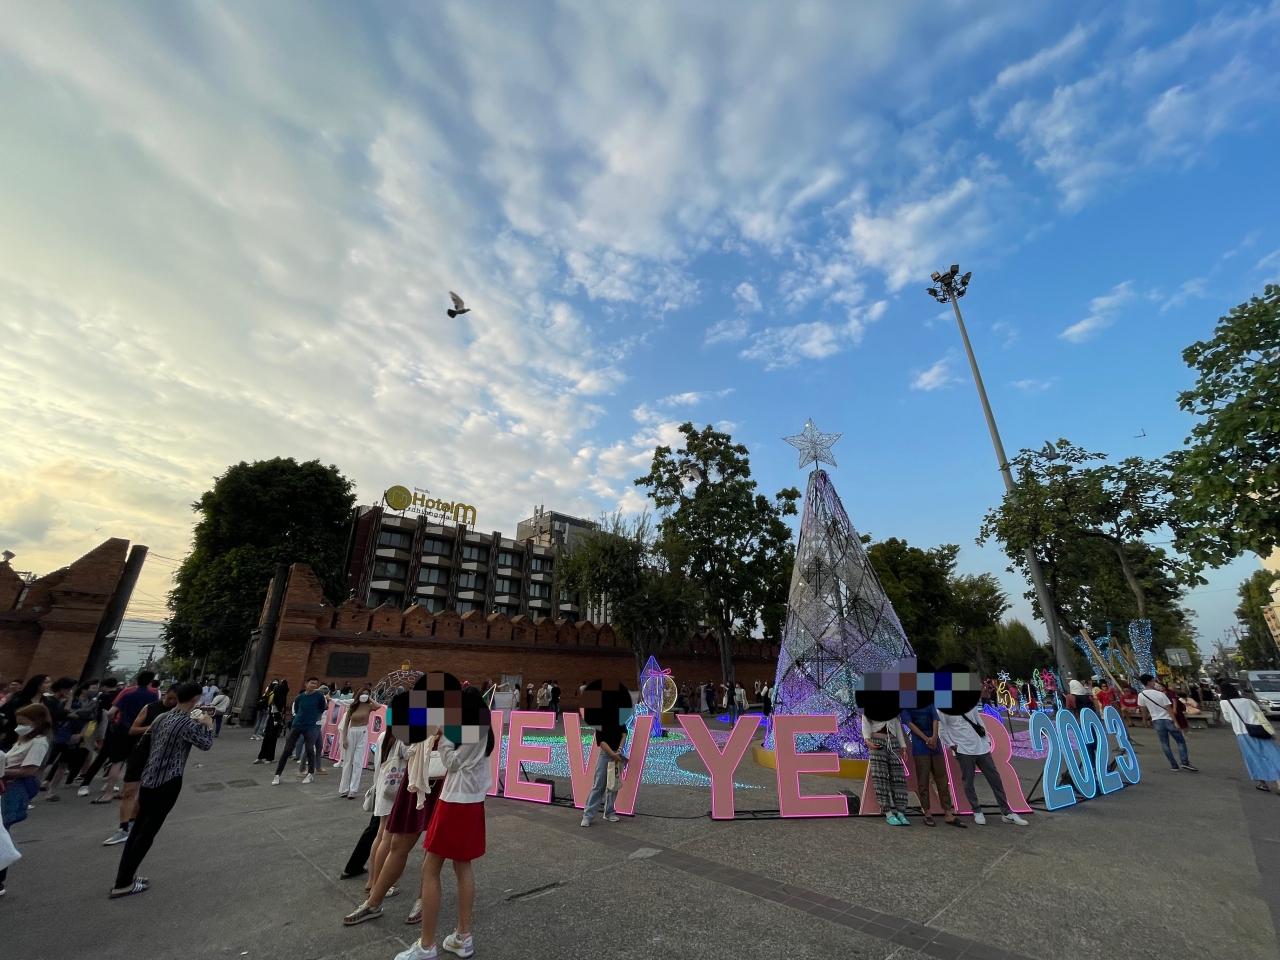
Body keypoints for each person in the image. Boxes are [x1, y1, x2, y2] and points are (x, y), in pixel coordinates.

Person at [397, 688, 494, 960]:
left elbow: (452, 762)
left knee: (430, 868)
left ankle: (427, 945)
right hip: (473, 802)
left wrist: (444, 739)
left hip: (455, 803)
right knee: (463, 866)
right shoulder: (484, 728)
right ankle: (463, 936)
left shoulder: (466, 730)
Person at [109, 682, 213, 898]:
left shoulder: (161, 717)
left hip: (148, 779)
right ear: (195, 699)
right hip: (168, 781)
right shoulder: (186, 723)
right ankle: (123, 883)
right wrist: (207, 724)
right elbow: (206, 743)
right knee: (147, 834)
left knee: (138, 830)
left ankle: (126, 876)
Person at [344, 737, 441, 926]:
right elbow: (405, 734)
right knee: (398, 844)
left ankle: (424, 899)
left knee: (433, 848)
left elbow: (472, 737)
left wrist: (442, 730)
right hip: (416, 774)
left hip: (443, 777)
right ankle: (373, 902)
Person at [103, 684, 179, 846]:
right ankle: (123, 828)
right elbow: (133, 730)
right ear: (165, 693)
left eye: (175, 699)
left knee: (145, 793)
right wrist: (152, 728)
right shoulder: (150, 708)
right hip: (140, 753)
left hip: (160, 757)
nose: (170, 701)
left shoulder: (179, 712)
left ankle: (132, 822)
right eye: (169, 697)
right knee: (129, 791)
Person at [939, 705, 1029, 826]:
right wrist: (952, 745)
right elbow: (942, 729)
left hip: (981, 747)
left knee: (995, 779)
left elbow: (979, 720)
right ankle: (977, 811)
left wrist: (986, 740)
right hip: (963, 749)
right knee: (968, 781)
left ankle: (1007, 812)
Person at [1, 703, 53, 897]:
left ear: (36, 722)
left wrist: (3, 771)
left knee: (3, 832)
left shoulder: (39, 742)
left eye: (23, 723)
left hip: (14, 788)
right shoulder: (24, 738)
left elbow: (29, 770)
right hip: (7, 785)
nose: (19, 726)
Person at [901, 702, 963, 827]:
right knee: (923, 780)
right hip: (920, 744)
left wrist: (934, 736)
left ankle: (948, 812)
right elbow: (909, 723)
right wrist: (926, 738)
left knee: (942, 778)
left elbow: (935, 718)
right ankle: (927, 812)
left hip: (935, 744)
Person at [1218, 681, 1280, 792]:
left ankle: (1262, 783)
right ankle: (1278, 782)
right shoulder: (1248, 701)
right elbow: (1260, 715)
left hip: (1243, 733)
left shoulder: (1224, 703)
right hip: (1261, 730)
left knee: (1253, 757)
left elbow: (1228, 719)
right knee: (1272, 755)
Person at [1137, 674, 1198, 772]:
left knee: (1165, 744)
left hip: (1156, 721)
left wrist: (1144, 721)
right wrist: (1176, 722)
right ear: (1149, 682)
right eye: (1153, 681)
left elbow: (1143, 710)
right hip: (1168, 719)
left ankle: (1174, 765)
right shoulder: (1160, 694)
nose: (1155, 683)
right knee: (1180, 741)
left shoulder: (1141, 695)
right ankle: (1184, 762)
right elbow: (1169, 709)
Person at [272, 677, 326, 785]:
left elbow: (322, 708)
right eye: (312, 683)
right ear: (306, 684)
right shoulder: (299, 697)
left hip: (311, 726)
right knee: (287, 750)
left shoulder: (319, 696)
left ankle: (310, 774)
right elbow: (297, 710)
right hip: (297, 724)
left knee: (309, 749)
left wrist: (316, 720)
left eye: (316, 684)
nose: (314, 685)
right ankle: (277, 775)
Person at [862, 710, 910, 826]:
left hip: (893, 742)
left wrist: (903, 746)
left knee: (898, 777)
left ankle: (901, 812)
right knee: (880, 777)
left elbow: (897, 725)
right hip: (876, 741)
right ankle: (888, 813)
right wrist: (867, 740)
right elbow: (865, 722)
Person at [580, 712, 625, 828]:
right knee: (598, 785)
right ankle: (587, 816)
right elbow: (601, 742)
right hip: (605, 755)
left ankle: (609, 812)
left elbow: (624, 733)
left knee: (613, 785)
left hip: (618, 754)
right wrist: (612, 754)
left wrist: (619, 750)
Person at [339, 686, 376, 799]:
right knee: (348, 761)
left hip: (363, 732)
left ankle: (353, 790)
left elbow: (379, 706)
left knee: (358, 761)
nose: (364, 695)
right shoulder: (353, 706)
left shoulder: (369, 706)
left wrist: (370, 698)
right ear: (359, 694)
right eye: (363, 693)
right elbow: (346, 724)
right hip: (351, 732)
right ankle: (344, 789)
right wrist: (344, 739)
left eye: (367, 693)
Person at [0, 674, 49, 749]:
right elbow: (8, 714)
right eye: (46, 682)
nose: (49, 685)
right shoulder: (21, 697)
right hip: (13, 733)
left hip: (30, 737)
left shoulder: (47, 702)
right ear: (38, 684)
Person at [255, 680, 288, 763]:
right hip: (275, 719)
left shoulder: (271, 694)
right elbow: (278, 710)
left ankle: (261, 757)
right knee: (272, 739)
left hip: (270, 718)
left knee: (266, 738)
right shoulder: (280, 699)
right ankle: (269, 758)